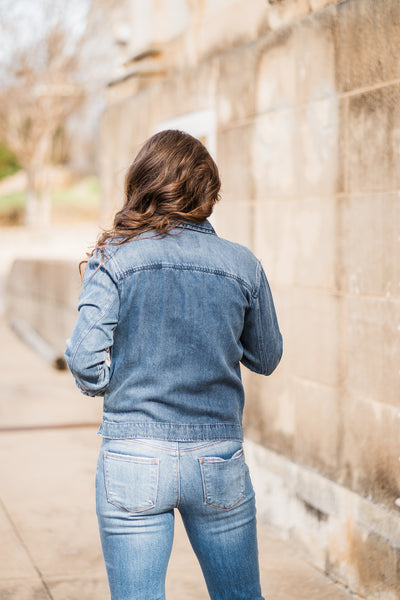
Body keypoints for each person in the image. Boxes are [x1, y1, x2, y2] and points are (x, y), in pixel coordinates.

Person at [65, 129, 283, 600]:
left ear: (144, 183)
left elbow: (84, 359)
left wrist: (115, 382)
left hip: (133, 455)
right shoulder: (242, 264)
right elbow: (267, 356)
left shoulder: (116, 258)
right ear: (209, 192)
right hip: (217, 456)